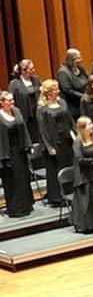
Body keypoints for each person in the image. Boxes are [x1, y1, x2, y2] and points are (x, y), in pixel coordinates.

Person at [36, 78, 74, 208]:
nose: (58, 91)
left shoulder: (62, 102)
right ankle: (57, 196)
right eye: (56, 89)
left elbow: (69, 120)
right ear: (49, 92)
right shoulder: (42, 108)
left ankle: (69, 191)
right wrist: (49, 146)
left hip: (66, 141)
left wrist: (74, 135)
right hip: (54, 143)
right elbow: (42, 129)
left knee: (67, 164)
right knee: (55, 169)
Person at [70, 116, 93, 233]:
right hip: (84, 175)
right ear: (82, 128)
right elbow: (80, 160)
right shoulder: (78, 142)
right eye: (89, 124)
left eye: (91, 123)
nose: (92, 126)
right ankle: (86, 225)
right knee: (87, 201)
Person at [0, 89, 33, 218]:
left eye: (12, 99)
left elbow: (24, 128)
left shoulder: (17, 111)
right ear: (2, 103)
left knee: (23, 178)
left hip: (20, 151)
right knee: (12, 180)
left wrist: (28, 145)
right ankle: (15, 208)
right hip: (7, 154)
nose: (12, 102)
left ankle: (26, 205)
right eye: (9, 100)